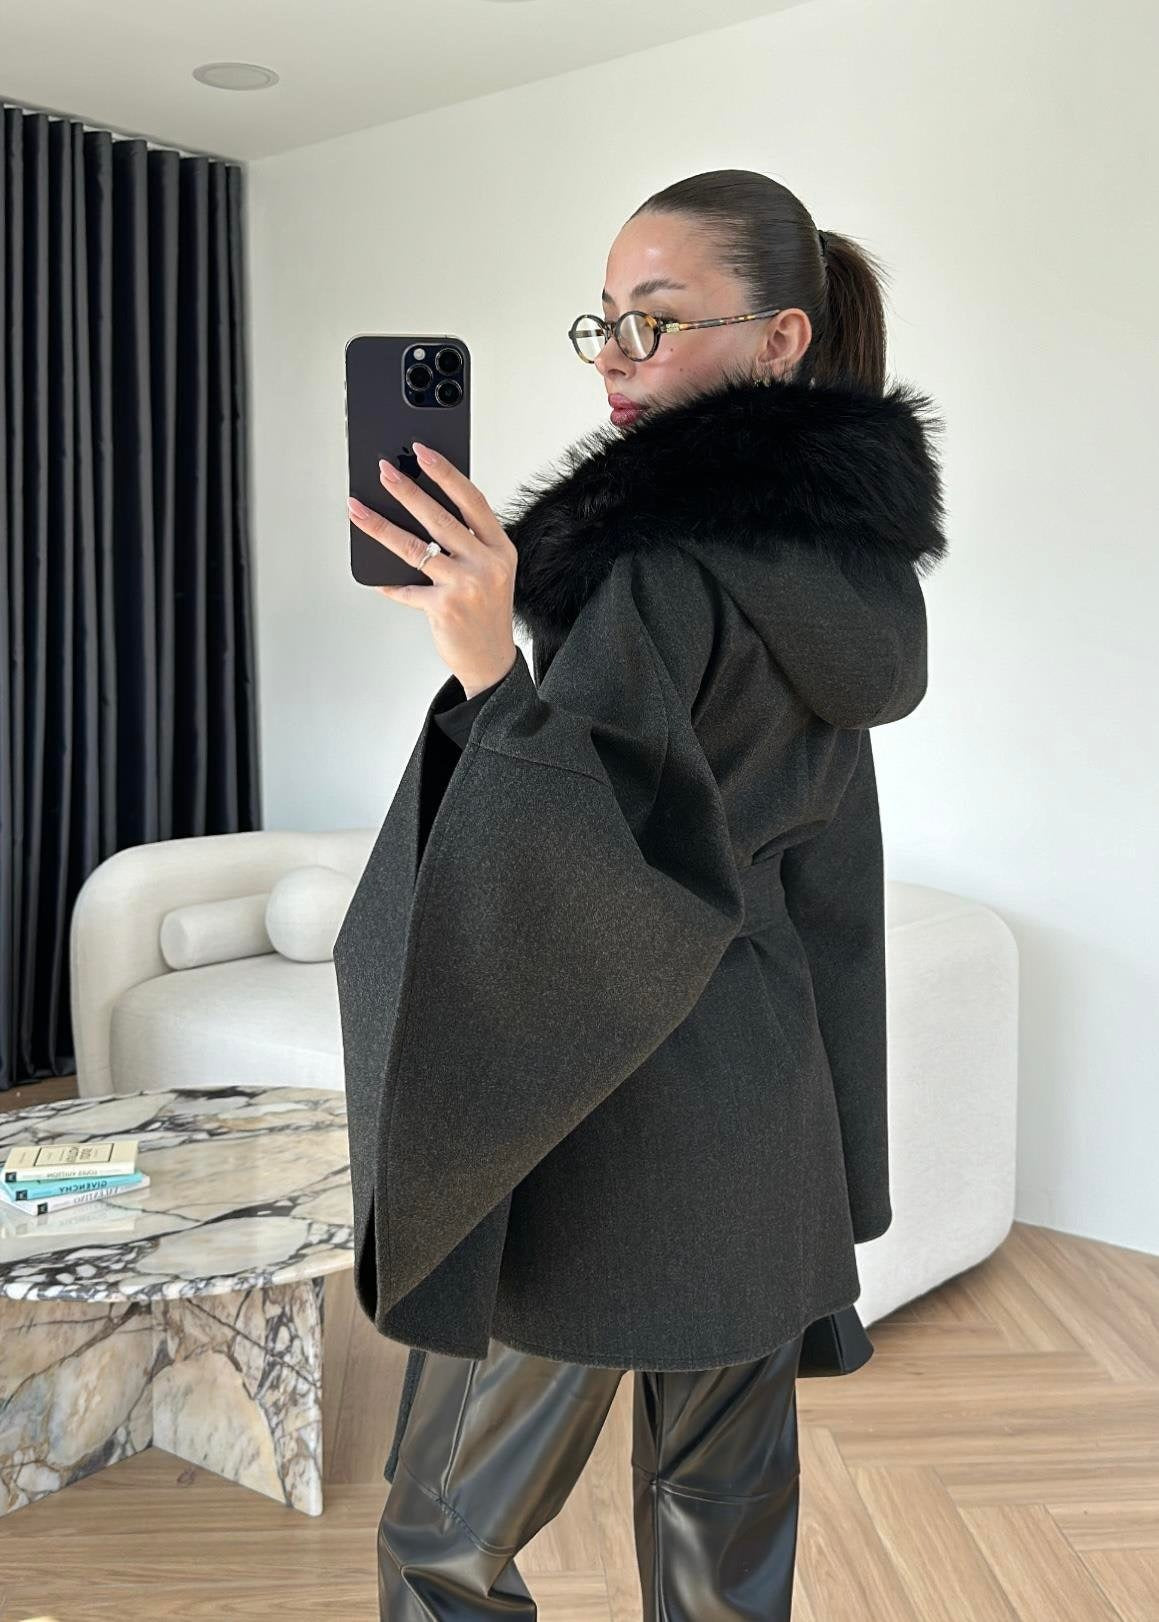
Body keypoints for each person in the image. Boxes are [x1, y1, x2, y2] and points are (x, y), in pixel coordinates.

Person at [334, 166, 949, 1620]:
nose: (615, 355)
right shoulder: (845, 573)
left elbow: (586, 877)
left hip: (602, 1117)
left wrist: (487, 667)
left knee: (441, 1540)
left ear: (782, 340)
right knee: (718, 1536)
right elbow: (829, 885)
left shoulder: (656, 572)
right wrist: (839, 1152)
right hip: (761, 1128)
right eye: (603, 319)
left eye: (656, 319)